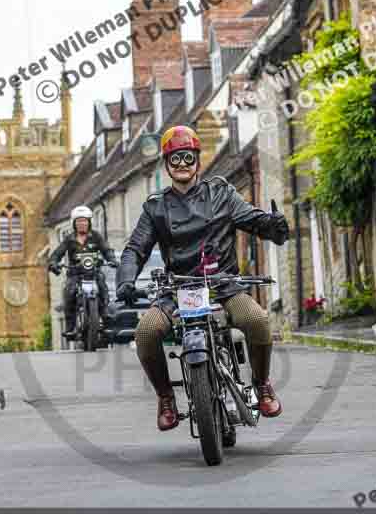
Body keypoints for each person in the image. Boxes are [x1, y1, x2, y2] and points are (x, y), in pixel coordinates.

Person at [116, 125, 290, 432]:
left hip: (221, 285)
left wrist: (272, 225)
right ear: (167, 164)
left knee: (257, 320)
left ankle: (262, 385)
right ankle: (166, 397)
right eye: (175, 159)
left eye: (187, 157)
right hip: (178, 288)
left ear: (197, 159)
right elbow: (135, 248)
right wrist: (126, 280)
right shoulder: (156, 207)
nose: (182, 165)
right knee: (146, 332)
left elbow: (250, 218)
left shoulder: (221, 193)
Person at [48, 205, 117, 339]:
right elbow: (57, 254)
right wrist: (53, 263)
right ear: (74, 223)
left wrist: (112, 259)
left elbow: (107, 250)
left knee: (103, 287)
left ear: (89, 222)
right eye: (79, 221)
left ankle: (105, 316)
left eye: (84, 221)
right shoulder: (69, 239)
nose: (82, 224)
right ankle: (70, 327)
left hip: (94, 272)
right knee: (69, 293)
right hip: (75, 274)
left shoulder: (96, 236)